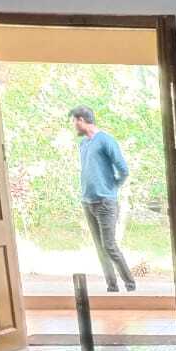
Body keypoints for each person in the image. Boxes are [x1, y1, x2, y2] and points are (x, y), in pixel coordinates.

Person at [70, 105, 136, 293]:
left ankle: (130, 284)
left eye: (74, 121)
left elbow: (123, 170)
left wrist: (112, 188)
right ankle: (112, 286)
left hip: (105, 203)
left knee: (109, 245)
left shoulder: (106, 140)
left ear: (82, 120)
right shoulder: (83, 144)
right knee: (100, 247)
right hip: (88, 202)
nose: (73, 125)